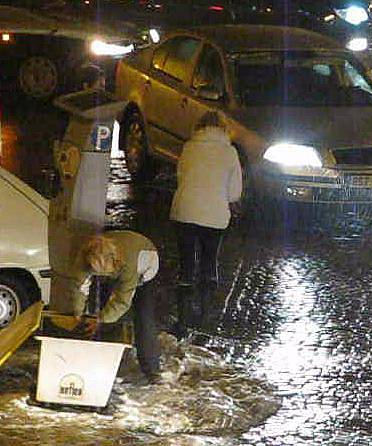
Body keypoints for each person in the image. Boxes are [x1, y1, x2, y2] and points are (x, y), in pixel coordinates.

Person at [51, 230, 162, 382]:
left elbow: (123, 300)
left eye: (103, 272)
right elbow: (80, 288)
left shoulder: (128, 264)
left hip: (146, 263)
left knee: (143, 314)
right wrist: (77, 314)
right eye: (96, 271)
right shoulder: (84, 257)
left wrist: (101, 319)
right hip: (115, 261)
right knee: (102, 303)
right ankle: (100, 352)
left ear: (113, 263)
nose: (100, 274)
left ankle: (152, 369)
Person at [169, 111, 242, 332]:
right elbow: (235, 193)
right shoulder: (229, 153)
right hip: (215, 217)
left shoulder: (189, 147)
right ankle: (205, 314)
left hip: (185, 211)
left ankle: (181, 320)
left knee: (186, 264)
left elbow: (180, 176)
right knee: (210, 261)